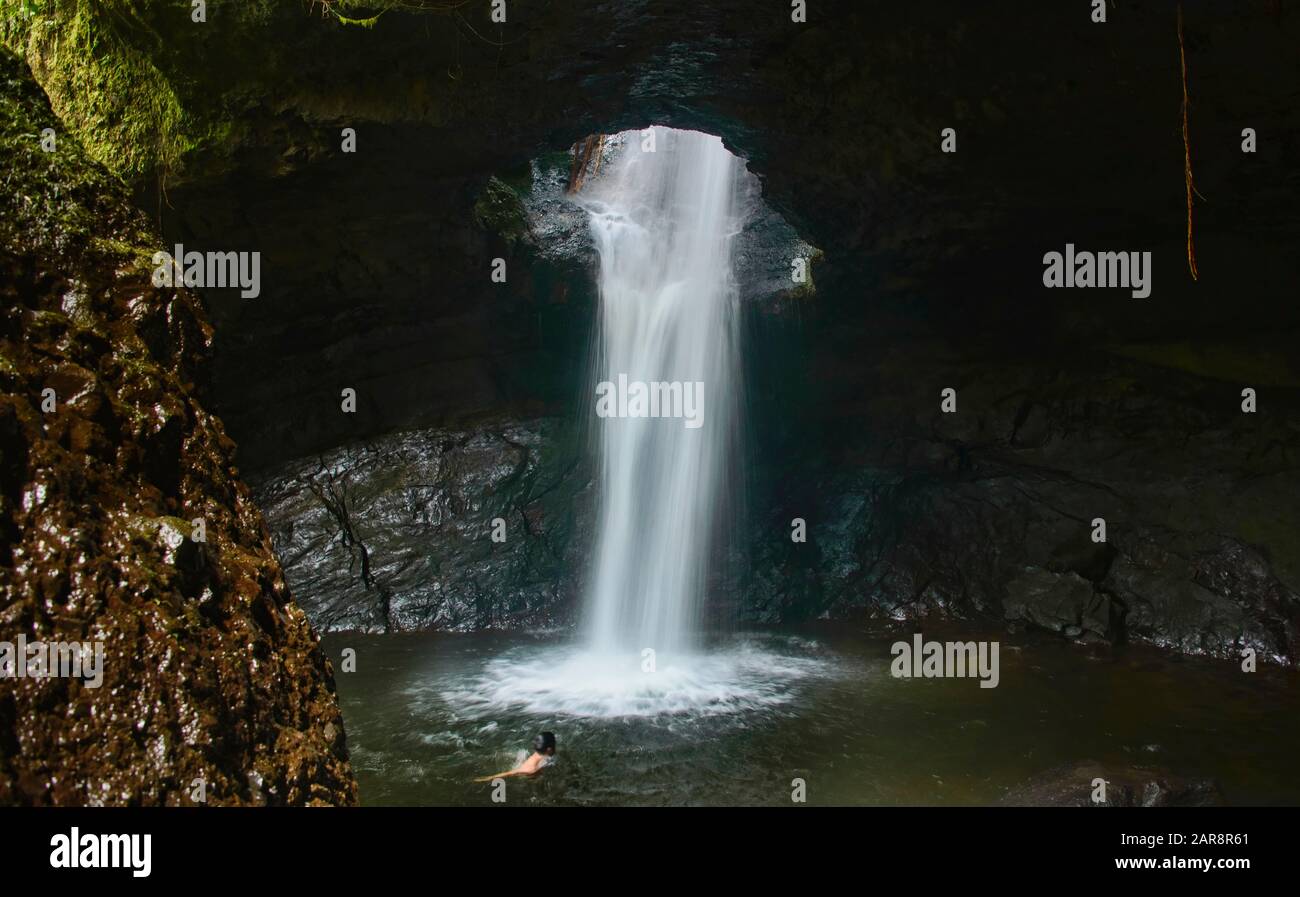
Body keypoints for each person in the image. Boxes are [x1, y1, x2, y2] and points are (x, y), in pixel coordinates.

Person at [475, 732, 557, 782]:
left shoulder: (539, 753)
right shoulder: (531, 768)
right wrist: (487, 778)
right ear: (549, 749)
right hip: (528, 777)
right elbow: (509, 773)